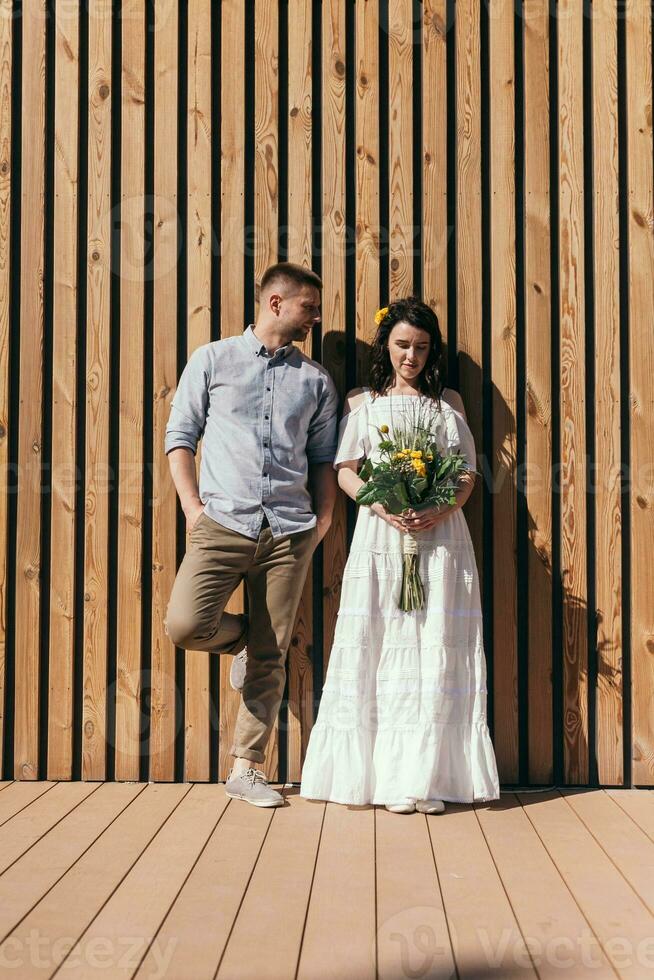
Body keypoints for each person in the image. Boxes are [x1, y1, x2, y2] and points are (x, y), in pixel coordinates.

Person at [299, 297, 500, 814]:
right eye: (402, 345)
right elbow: (346, 468)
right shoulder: (361, 401)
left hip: (438, 539)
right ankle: (376, 778)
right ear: (386, 345)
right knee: (380, 639)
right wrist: (385, 505)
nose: (411, 356)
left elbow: (465, 474)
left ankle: (426, 777)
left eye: (421, 347)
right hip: (382, 538)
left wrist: (440, 507)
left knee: (434, 643)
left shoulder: (447, 401)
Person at [164, 262, 338, 807]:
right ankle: (241, 639)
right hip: (221, 523)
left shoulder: (315, 381)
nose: (315, 317)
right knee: (186, 625)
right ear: (276, 303)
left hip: (289, 530)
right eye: (309, 307)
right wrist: (193, 507)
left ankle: (247, 767)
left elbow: (323, 459)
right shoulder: (213, 359)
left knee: (274, 653)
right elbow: (180, 436)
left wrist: (323, 521)